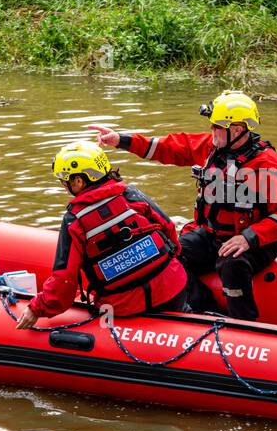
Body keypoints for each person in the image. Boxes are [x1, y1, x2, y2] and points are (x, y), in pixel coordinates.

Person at [89, 91, 277, 321]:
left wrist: (247, 238)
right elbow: (169, 147)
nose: (211, 130)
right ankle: (205, 310)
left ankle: (245, 323)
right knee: (169, 252)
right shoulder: (211, 147)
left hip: (254, 243)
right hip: (212, 236)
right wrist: (121, 140)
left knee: (232, 263)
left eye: (216, 126)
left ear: (236, 129)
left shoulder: (267, 164)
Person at [15, 141, 187, 330]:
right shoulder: (130, 194)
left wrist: (36, 309)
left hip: (126, 308)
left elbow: (64, 281)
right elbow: (169, 230)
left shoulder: (75, 221)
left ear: (78, 181)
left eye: (65, 181)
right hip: (174, 289)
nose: (64, 186)